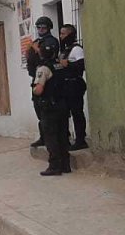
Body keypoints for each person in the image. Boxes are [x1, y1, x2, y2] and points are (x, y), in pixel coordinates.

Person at [32, 43, 71, 176]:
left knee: (51, 137)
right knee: (62, 135)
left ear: (41, 53)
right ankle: (66, 165)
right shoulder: (60, 65)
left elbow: (39, 89)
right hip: (63, 105)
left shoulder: (43, 68)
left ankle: (54, 166)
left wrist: (34, 89)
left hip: (49, 107)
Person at [27, 17, 60, 148]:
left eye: (43, 28)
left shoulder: (52, 41)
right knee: (39, 109)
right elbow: (30, 58)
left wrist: (36, 49)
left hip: (48, 78)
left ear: (49, 28)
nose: (41, 30)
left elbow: (48, 56)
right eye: (39, 27)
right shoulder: (37, 42)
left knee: (50, 110)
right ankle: (43, 137)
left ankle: (57, 138)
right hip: (36, 77)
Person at [57, 24, 87, 150]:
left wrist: (68, 64)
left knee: (77, 113)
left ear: (70, 34)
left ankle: (80, 140)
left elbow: (82, 65)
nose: (61, 36)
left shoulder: (76, 49)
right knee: (64, 113)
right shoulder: (65, 50)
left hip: (75, 84)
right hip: (66, 85)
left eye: (63, 34)